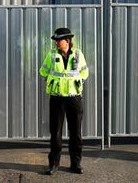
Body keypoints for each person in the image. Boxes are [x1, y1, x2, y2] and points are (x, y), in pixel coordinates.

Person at [39, 27, 89, 175]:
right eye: (55, 41)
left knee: (76, 133)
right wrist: (53, 80)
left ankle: (75, 164)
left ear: (67, 41)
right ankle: (53, 165)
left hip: (74, 98)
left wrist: (77, 80)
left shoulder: (78, 54)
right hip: (57, 98)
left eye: (58, 40)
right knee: (56, 133)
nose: (56, 43)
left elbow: (85, 72)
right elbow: (43, 71)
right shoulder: (51, 55)